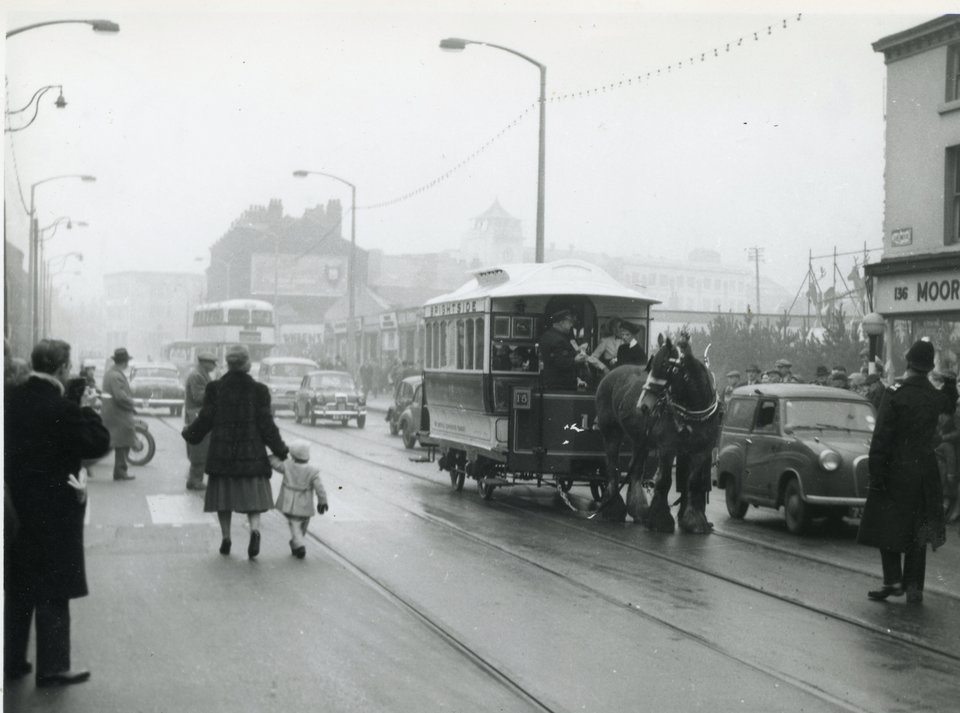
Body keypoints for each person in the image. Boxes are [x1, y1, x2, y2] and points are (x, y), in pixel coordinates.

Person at [5, 339, 110, 687]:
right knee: (52, 587)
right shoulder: (63, 409)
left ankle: (12, 659)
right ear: (63, 368)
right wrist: (87, 409)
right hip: (54, 510)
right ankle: (52, 667)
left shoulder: (9, 399)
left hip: (16, 507)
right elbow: (96, 443)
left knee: (19, 584)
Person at [857, 340, 958, 603]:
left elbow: (881, 437)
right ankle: (914, 586)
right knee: (919, 530)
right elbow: (949, 402)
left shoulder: (895, 392)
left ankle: (893, 581)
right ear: (928, 368)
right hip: (925, 472)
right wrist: (949, 380)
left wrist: (876, 471)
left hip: (895, 470)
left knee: (886, 525)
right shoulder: (933, 395)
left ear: (909, 363)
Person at [182, 344, 288, 559]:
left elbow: (206, 419)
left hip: (223, 454)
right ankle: (255, 531)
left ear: (228, 364)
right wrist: (280, 449)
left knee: (224, 499)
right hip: (251, 454)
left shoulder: (215, 389)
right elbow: (267, 425)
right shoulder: (259, 390)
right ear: (247, 364)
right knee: (252, 500)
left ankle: (226, 538)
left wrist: (190, 434)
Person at [268, 441, 328, 559]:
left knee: (295, 524)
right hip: (305, 504)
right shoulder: (313, 471)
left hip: (289, 502)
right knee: (302, 524)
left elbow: (275, 464)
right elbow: (319, 488)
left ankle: (297, 544)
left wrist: (272, 455)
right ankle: (299, 544)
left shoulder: (287, 465)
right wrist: (323, 501)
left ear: (293, 455)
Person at [100, 348, 138, 481]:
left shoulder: (111, 373)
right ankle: (120, 472)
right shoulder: (116, 375)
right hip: (118, 413)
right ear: (124, 362)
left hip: (113, 411)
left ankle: (120, 471)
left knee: (118, 441)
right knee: (123, 441)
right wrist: (132, 404)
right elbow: (120, 397)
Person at [184, 351, 218, 491]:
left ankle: (193, 480)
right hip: (197, 417)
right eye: (212, 363)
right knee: (200, 450)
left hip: (199, 417)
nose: (214, 366)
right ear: (204, 363)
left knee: (200, 450)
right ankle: (195, 480)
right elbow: (198, 397)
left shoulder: (201, 374)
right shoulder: (197, 376)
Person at [538, 309, 587, 390]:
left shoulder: (547, 335)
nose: (571, 325)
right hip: (561, 384)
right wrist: (575, 360)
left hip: (550, 381)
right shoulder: (559, 339)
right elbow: (560, 362)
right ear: (561, 322)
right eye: (569, 322)